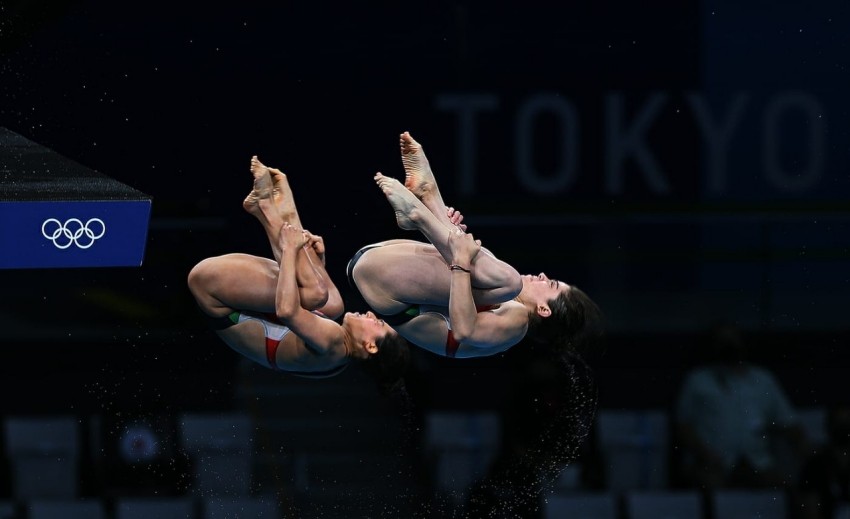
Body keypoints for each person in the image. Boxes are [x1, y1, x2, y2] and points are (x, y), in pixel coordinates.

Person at [346, 131, 602, 359]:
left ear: (544, 310)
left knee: (505, 279)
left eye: (551, 285)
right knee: (483, 262)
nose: (544, 276)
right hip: (380, 268)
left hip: (385, 285)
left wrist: (459, 260)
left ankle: (422, 212)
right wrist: (452, 233)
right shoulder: (500, 299)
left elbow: (464, 330)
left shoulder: (516, 323)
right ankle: (429, 204)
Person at [187, 156, 410, 392]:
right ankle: (276, 206)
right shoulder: (337, 353)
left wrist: (291, 250)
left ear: (370, 347)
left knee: (315, 292)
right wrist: (315, 261)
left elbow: (286, 310)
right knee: (331, 303)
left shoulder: (333, 343)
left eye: (377, 323)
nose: (370, 314)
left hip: (214, 294)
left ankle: (266, 207)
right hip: (228, 298)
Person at [673, 322, 810, 490]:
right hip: (714, 464)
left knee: (788, 491)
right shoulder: (698, 380)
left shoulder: (763, 380)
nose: (729, 344)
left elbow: (788, 422)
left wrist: (806, 450)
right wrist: (706, 456)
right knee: (710, 485)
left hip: (758, 464)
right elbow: (683, 426)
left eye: (732, 339)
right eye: (722, 340)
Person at [798, 402, 850, 519]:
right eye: (840, 423)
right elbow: (811, 511)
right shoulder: (814, 467)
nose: (844, 427)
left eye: (847, 423)